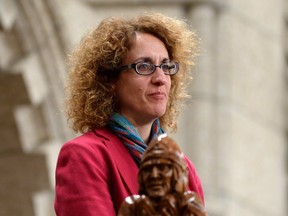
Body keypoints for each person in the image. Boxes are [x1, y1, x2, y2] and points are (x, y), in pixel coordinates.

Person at [54, 12, 204, 216]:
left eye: (166, 66)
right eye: (144, 66)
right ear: (109, 81)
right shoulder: (84, 155)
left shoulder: (184, 167)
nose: (160, 78)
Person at [118, 134, 207, 216]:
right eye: (147, 169)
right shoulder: (132, 208)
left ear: (177, 173)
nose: (154, 175)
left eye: (162, 168)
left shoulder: (190, 208)